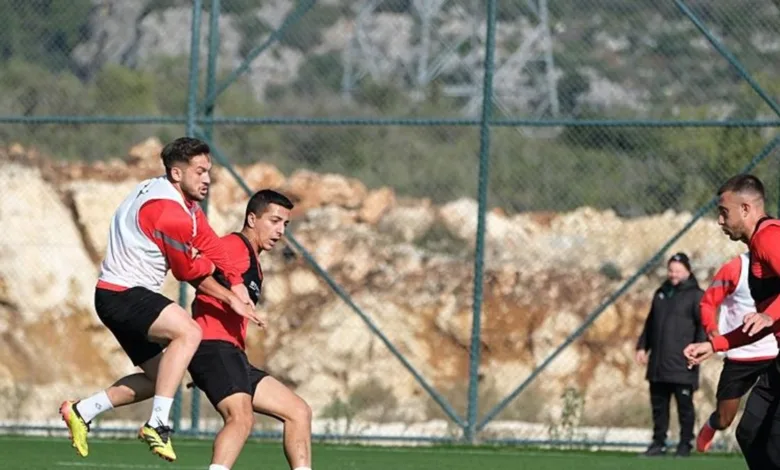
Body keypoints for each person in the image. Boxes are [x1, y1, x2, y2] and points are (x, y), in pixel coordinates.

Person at [59, 137, 263, 462]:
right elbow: (186, 271)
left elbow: (209, 241)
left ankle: (82, 411)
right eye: (199, 171)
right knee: (190, 332)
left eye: (209, 171)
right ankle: (158, 424)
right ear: (176, 173)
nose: (207, 178)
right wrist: (219, 279)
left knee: (162, 378)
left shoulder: (171, 196)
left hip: (117, 296)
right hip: (123, 295)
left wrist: (235, 287)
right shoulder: (171, 213)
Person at [187, 189, 313, 470]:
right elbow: (192, 268)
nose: (280, 231)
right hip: (212, 346)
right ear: (252, 219)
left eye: (285, 224)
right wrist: (229, 298)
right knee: (241, 419)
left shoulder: (254, 261)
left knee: (298, 412)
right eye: (274, 221)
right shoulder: (234, 247)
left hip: (231, 354)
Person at [684, 173, 780, 469]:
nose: (720, 221)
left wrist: (769, 314)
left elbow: (766, 318)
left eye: (724, 212)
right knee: (750, 433)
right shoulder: (756, 249)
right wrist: (716, 344)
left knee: (771, 441)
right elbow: (758, 326)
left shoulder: (769, 237)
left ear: (746, 209)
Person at [695, 252, 778, 453]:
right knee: (725, 418)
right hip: (741, 354)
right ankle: (712, 424)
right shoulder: (735, 268)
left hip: (774, 352)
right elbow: (708, 303)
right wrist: (713, 333)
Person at [635, 252, 705, 457]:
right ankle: (658, 443)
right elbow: (651, 323)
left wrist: (699, 350)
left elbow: (703, 326)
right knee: (659, 406)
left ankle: (685, 444)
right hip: (658, 363)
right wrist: (642, 347)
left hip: (682, 363)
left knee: (684, 406)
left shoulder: (696, 295)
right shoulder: (661, 293)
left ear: (687, 271)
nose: (673, 274)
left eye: (677, 271)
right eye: (671, 270)